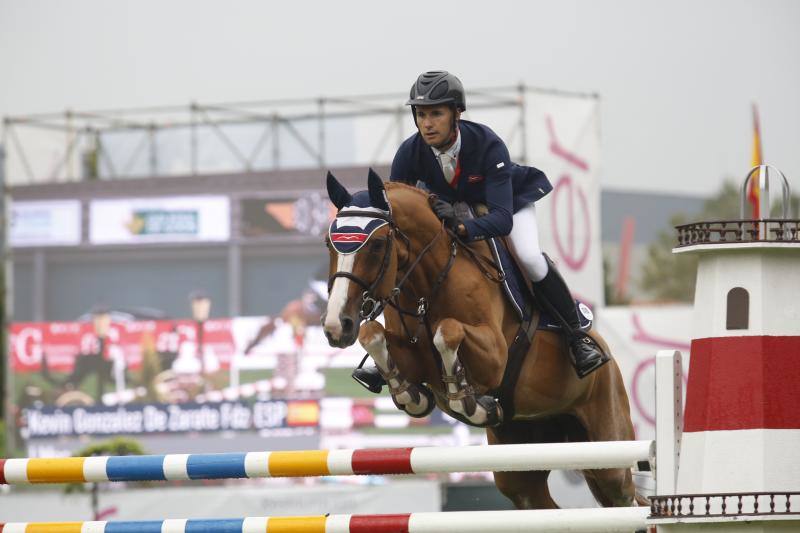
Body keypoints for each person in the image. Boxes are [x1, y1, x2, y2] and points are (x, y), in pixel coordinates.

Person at [353, 70, 607, 394]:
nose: (427, 124)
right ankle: (393, 353)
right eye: (421, 115)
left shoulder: (488, 144)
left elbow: (502, 219)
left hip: (505, 205)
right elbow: (400, 214)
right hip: (451, 211)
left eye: (436, 114)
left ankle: (576, 336)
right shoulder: (409, 153)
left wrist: (462, 226)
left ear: (457, 113)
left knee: (529, 256)